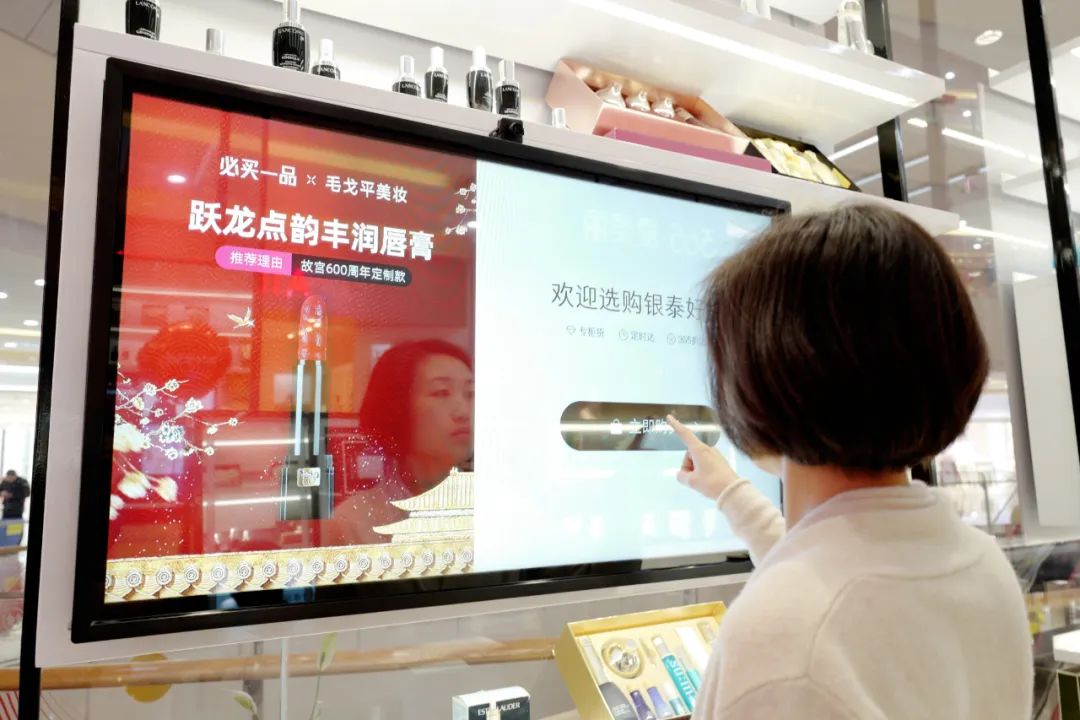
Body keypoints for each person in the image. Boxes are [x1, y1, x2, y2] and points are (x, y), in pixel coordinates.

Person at [668, 205, 1032, 719]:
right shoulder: (980, 566)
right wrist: (729, 492)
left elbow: (824, 603)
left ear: (766, 376)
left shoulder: (785, 633)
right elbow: (850, 575)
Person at [323, 340, 474, 545]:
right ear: (397, 408)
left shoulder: (496, 504)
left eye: (470, 394)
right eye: (441, 392)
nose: (464, 412)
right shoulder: (352, 523)